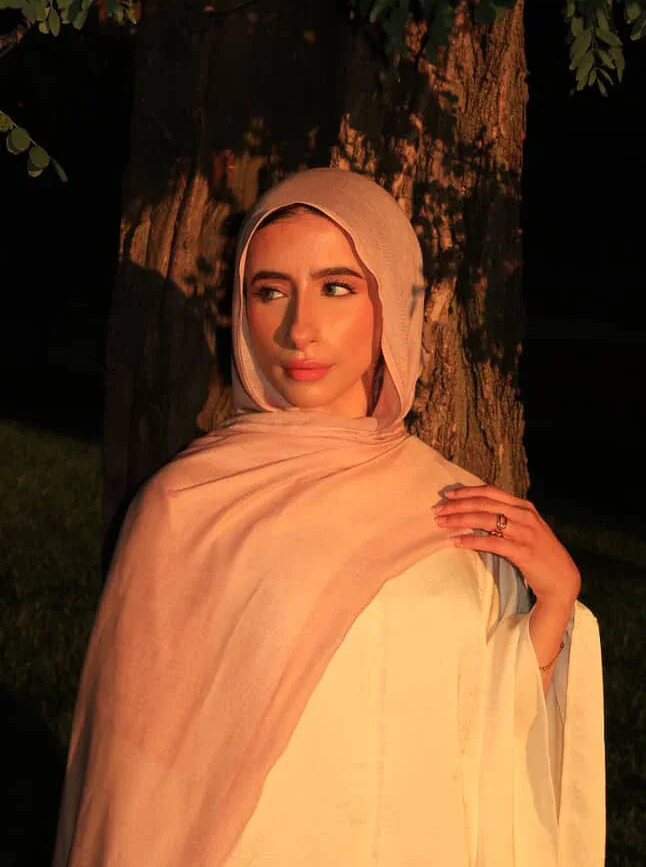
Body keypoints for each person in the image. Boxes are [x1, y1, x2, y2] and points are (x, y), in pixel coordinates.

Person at [52, 168, 605, 866]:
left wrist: (554, 598)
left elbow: (490, 738)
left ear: (392, 303)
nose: (298, 328)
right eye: (270, 290)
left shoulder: (461, 506)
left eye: (336, 288)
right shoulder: (185, 509)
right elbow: (132, 785)